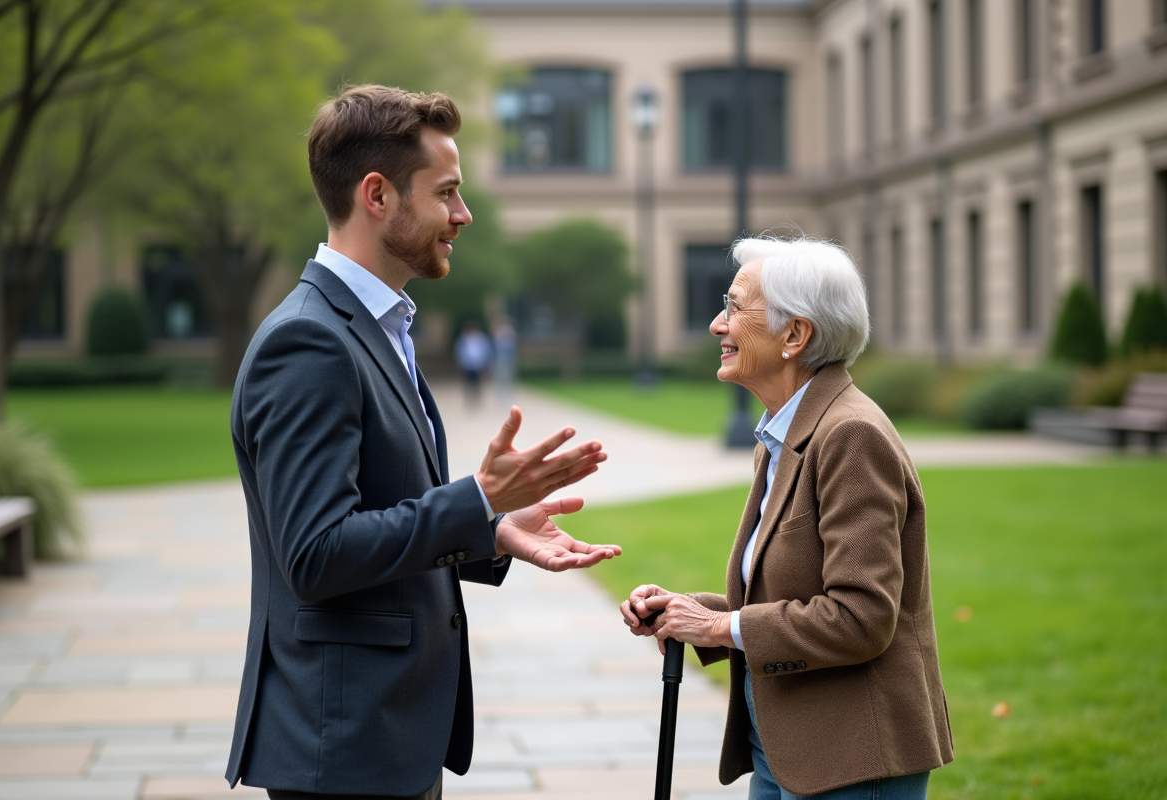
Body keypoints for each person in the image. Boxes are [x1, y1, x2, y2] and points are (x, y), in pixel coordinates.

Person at [225, 85, 620, 800]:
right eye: (447, 193)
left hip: (383, 739)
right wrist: (476, 499)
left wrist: (492, 531)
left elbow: (382, 510)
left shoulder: (378, 327)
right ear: (378, 196)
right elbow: (315, 555)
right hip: (342, 752)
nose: (462, 215)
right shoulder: (310, 341)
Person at [620, 237, 953, 799]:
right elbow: (793, 595)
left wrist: (719, 628)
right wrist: (686, 611)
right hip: (786, 747)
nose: (715, 325)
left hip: (852, 758)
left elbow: (862, 616)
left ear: (794, 336)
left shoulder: (850, 435)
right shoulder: (785, 434)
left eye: (733, 307)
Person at [454, 321, 491, 406]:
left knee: (477, 382)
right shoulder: (463, 340)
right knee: (468, 382)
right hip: (467, 365)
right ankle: (469, 398)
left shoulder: (482, 339)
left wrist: (485, 364)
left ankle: (477, 398)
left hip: (478, 365)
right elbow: (459, 352)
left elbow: (486, 352)